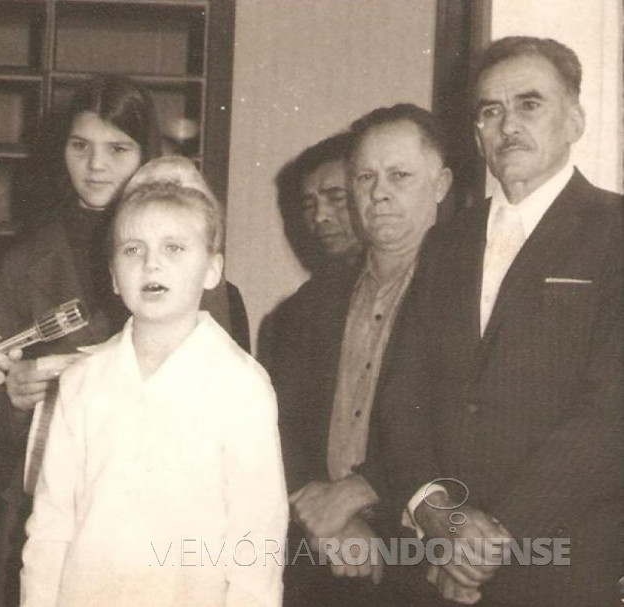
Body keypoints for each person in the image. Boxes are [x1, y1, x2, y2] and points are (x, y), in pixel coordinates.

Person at [0, 76, 250, 606]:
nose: (96, 166)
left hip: (166, 520)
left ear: (145, 152)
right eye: (79, 146)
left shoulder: (187, 252)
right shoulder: (25, 262)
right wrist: (10, 397)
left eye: (118, 148)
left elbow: (222, 405)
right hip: (47, 516)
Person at [377, 36, 623, 606]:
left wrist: (497, 534)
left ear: (576, 119)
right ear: (477, 135)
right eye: (492, 110)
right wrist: (438, 517)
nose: (508, 123)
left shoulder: (615, 231)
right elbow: (402, 395)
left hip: (565, 567)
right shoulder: (445, 241)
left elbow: (611, 414)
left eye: (529, 103)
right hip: (438, 569)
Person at [20, 172, 288, 607]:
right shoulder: (82, 383)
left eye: (174, 248)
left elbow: (257, 540)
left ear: (212, 269)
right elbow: (50, 528)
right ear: (112, 275)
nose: (151, 264)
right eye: (133, 250)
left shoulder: (241, 387)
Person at [270, 104, 453, 606]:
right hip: (323, 554)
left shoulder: (470, 293)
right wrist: (328, 518)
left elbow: (464, 428)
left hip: (430, 558)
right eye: (366, 176)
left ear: (439, 184)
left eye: (400, 175)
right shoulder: (307, 307)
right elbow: (278, 424)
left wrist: (363, 492)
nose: (380, 192)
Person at [259, 132, 365, 367]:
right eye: (308, 205)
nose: (319, 216)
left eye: (336, 198)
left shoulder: (411, 292)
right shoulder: (293, 315)